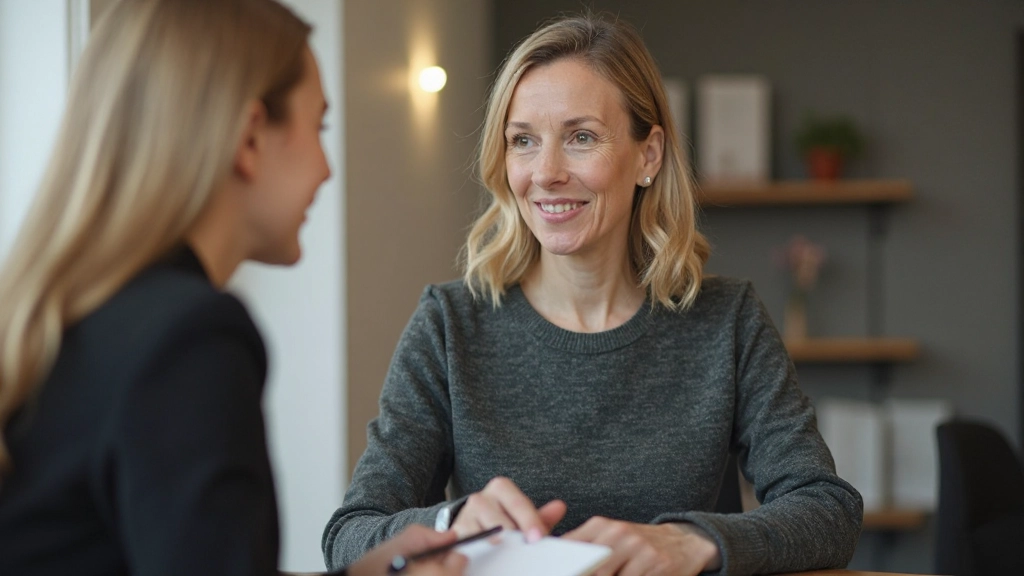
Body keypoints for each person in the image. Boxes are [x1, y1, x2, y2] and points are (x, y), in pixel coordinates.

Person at [323, 13, 863, 576]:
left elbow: (829, 510)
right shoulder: (450, 324)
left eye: (581, 137)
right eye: (523, 141)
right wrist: (449, 524)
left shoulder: (727, 320)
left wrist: (690, 541)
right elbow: (349, 532)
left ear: (648, 155)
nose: (546, 173)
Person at [0, 1, 465, 575]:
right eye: (318, 127)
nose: (327, 168)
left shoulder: (64, 316)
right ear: (249, 138)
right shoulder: (186, 338)